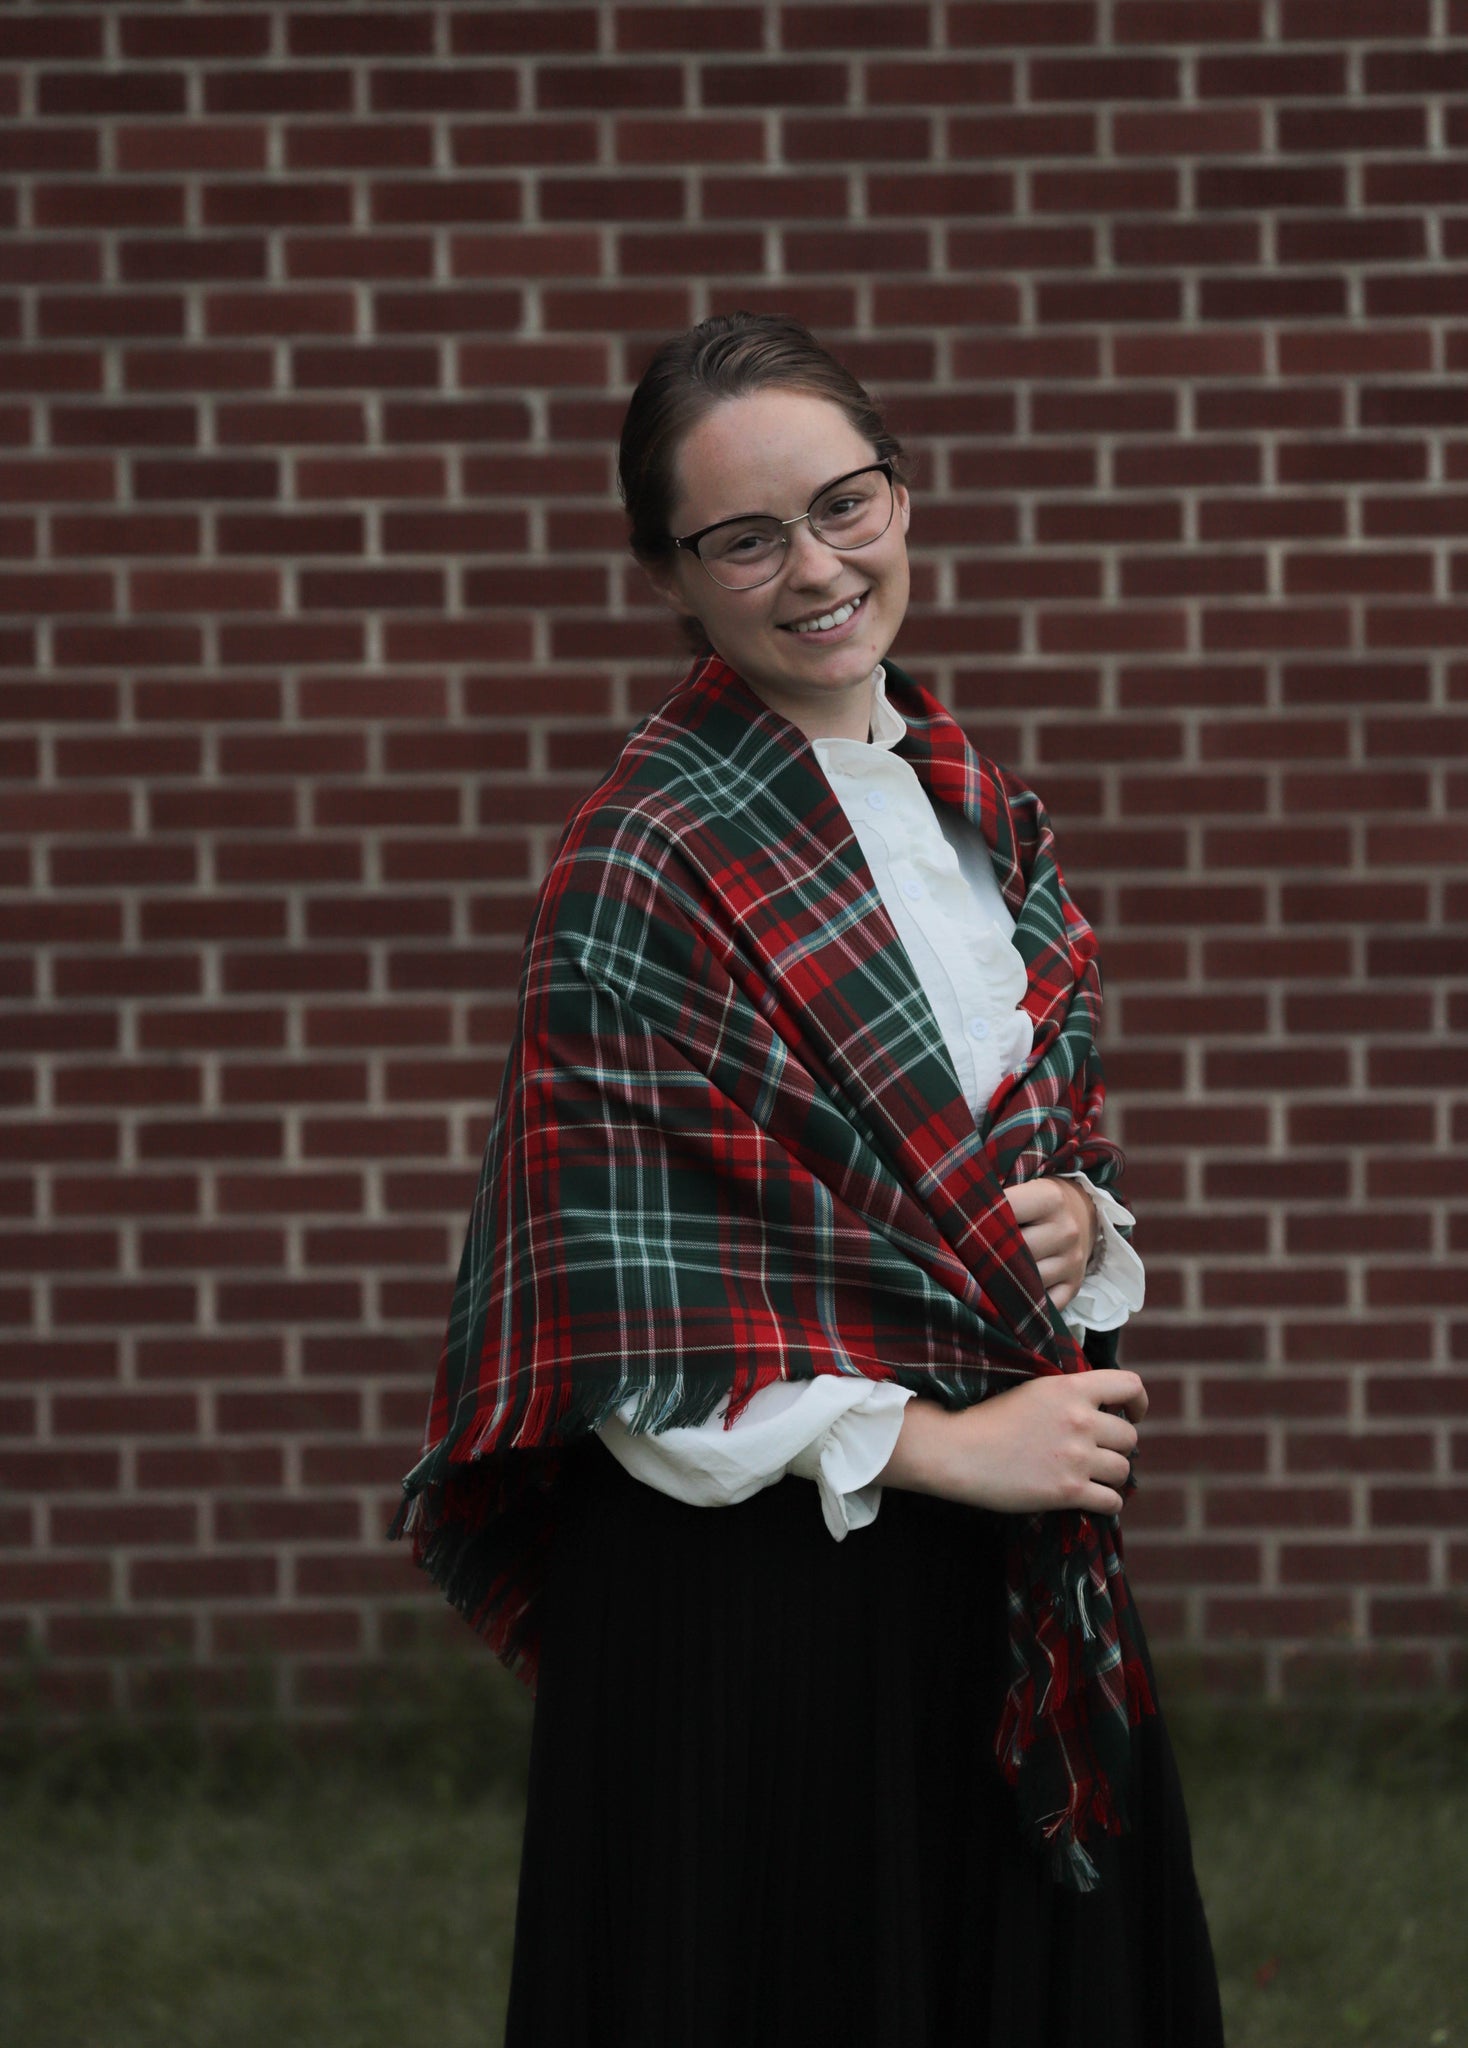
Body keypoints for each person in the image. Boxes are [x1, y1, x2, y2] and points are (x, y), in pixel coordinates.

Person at [394, 312, 1224, 2047]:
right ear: (669, 576)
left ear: (900, 495)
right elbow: (616, 1328)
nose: (820, 568)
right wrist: (946, 1449)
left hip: (993, 1558)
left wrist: (1077, 1214)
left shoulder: (976, 807)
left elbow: (1003, 1133)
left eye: (845, 505)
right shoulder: (642, 860)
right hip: (755, 1601)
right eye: (747, 538)